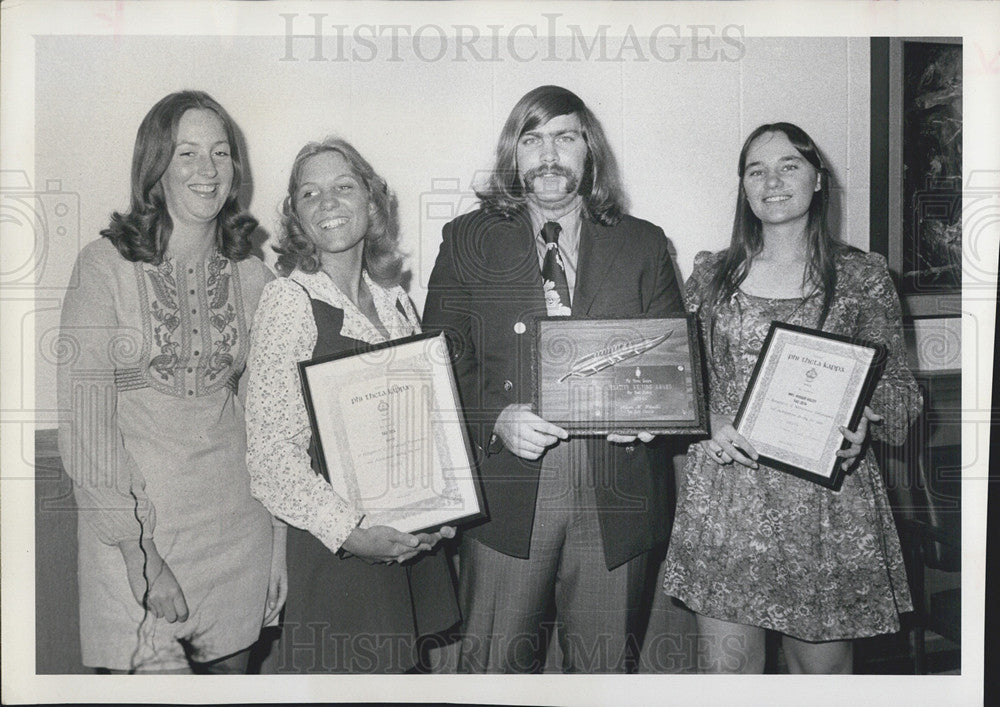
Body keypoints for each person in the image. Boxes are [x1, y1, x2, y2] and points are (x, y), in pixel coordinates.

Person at [423, 85, 684, 673]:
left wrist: (646, 419)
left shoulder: (641, 242)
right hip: (510, 493)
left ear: (588, 152)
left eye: (565, 137)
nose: (548, 154)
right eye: (532, 138)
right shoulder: (467, 240)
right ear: (513, 154)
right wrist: (496, 417)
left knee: (600, 671)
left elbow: (670, 367)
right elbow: (440, 361)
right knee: (494, 670)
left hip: (615, 495)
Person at [661, 122, 921, 673]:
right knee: (729, 678)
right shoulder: (711, 274)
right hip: (728, 498)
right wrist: (708, 418)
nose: (771, 181)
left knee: (819, 679)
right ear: (743, 187)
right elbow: (672, 379)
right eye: (756, 170)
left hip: (827, 505)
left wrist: (867, 424)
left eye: (789, 166)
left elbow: (901, 391)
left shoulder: (862, 278)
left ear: (818, 179)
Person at [56, 90, 284, 673]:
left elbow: (273, 421)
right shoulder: (102, 268)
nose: (207, 171)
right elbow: (87, 424)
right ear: (155, 166)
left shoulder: (256, 277)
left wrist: (280, 545)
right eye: (186, 154)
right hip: (135, 536)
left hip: (240, 533)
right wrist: (140, 553)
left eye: (221, 153)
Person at [245, 137, 460, 674]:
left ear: (371, 201)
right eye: (309, 193)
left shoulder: (394, 299)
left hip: (405, 541)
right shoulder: (288, 301)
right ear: (296, 215)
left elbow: (422, 422)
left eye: (343, 187)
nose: (328, 202)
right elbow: (271, 457)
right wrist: (352, 534)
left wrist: (440, 510)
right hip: (338, 551)